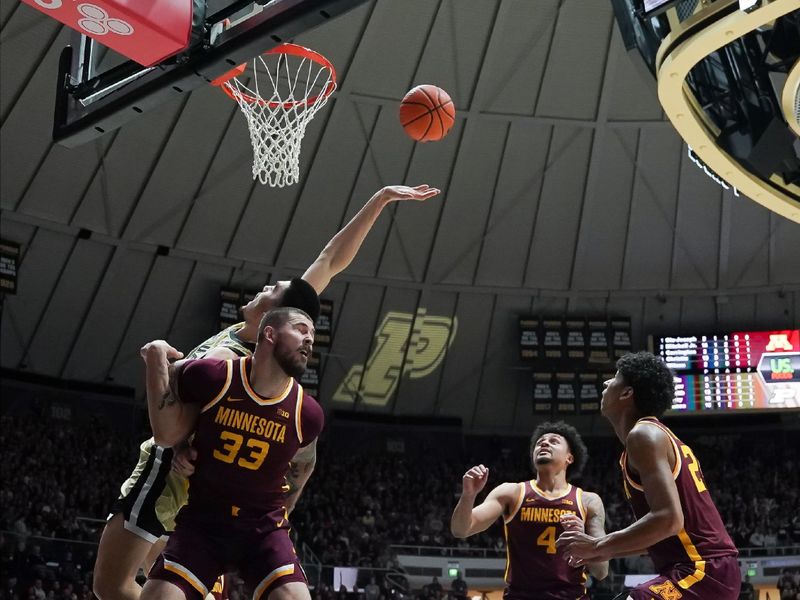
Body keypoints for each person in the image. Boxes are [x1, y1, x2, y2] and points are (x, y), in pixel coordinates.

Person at [92, 184, 440, 600]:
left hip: (172, 475)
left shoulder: (236, 359)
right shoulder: (250, 339)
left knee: (112, 587)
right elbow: (330, 259)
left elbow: (185, 421)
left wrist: (184, 439)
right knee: (140, 584)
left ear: (275, 320)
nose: (267, 285)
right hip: (192, 478)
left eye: (274, 287)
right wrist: (380, 199)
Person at [140, 306, 322, 600]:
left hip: (262, 528)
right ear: (270, 334)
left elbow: (303, 466)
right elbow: (167, 423)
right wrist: (181, 444)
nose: (310, 340)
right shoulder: (215, 377)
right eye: (301, 329)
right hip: (203, 522)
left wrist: (281, 520)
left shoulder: (307, 413)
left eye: (313, 334)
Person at [556, 351, 740, 600]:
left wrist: (599, 545)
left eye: (615, 378)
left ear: (627, 393)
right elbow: (664, 533)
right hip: (707, 571)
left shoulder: (643, 435)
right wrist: (604, 551)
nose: (606, 383)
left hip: (701, 571)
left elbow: (669, 520)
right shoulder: (655, 437)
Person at [450, 421, 608, 600]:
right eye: (540, 442)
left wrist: (585, 540)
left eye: (554, 441)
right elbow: (460, 529)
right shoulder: (511, 492)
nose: (544, 443)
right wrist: (468, 496)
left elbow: (601, 571)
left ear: (569, 458)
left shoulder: (588, 501)